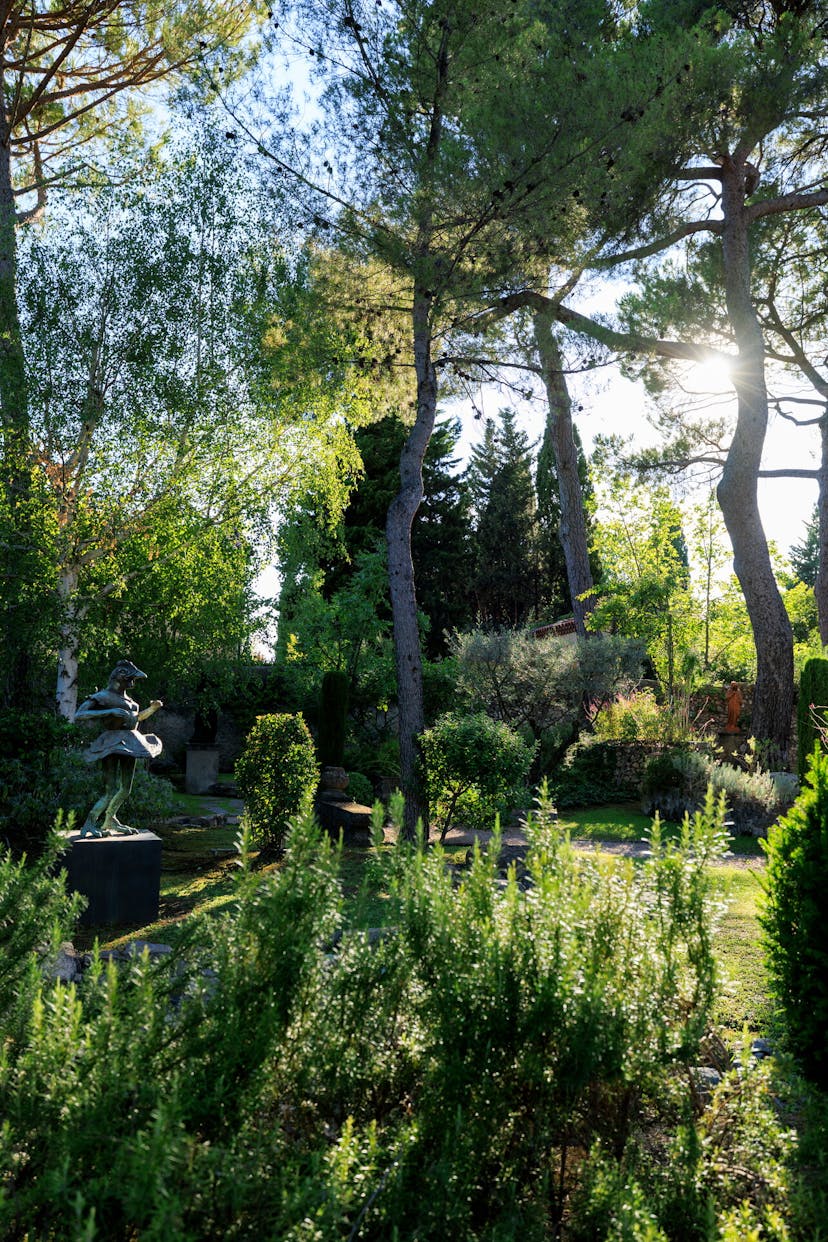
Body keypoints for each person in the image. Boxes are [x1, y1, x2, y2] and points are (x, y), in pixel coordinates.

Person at [74, 660, 163, 837]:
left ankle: (110, 819)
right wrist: (108, 712)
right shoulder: (102, 696)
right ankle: (89, 823)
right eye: (131, 678)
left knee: (125, 789)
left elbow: (135, 719)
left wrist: (152, 709)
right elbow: (80, 714)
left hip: (131, 742)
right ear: (120, 676)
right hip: (111, 743)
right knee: (111, 790)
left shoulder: (131, 701)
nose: (133, 682)